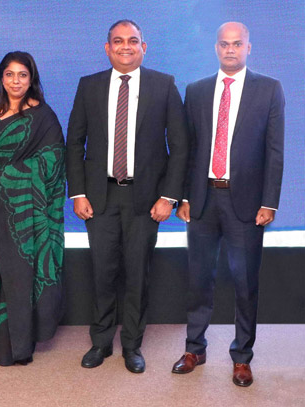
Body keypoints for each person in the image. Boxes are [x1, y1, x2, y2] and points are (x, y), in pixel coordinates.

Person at [66, 20, 188, 373]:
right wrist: (78, 193)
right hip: (99, 198)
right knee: (102, 273)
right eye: (118, 41)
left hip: (146, 201)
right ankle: (101, 342)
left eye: (133, 41)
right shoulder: (89, 86)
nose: (125, 46)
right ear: (107, 48)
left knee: (137, 275)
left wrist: (169, 197)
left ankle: (132, 345)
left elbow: (180, 146)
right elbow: (75, 143)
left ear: (143, 47)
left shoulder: (164, 85)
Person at [171, 22, 284, 387]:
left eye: (237, 44)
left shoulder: (269, 89)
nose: (230, 49)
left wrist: (269, 202)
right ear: (216, 48)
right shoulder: (197, 90)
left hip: (247, 203)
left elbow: (274, 151)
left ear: (248, 47)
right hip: (202, 200)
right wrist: (185, 196)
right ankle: (194, 348)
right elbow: (187, 149)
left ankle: (242, 357)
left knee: (245, 283)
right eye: (224, 44)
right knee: (199, 279)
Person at [0, 51, 66, 366]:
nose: (16, 81)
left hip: (30, 211)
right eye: (10, 74)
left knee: (25, 271)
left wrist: (1, 173)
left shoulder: (44, 116)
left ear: (31, 79)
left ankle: (21, 346)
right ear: (1, 78)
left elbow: (54, 161)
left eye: (22, 75)